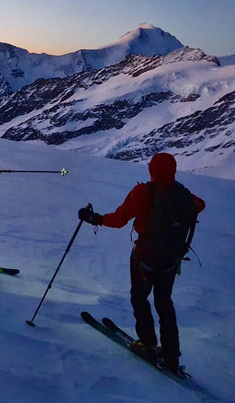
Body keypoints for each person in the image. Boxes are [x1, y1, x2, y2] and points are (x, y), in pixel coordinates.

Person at [78, 152, 205, 374]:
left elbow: (118, 220)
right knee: (164, 304)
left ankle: (147, 344)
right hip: (170, 261)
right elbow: (200, 204)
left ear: (151, 170)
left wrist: (94, 218)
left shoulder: (143, 192)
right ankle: (171, 355)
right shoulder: (185, 195)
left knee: (140, 298)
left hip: (144, 258)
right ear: (173, 170)